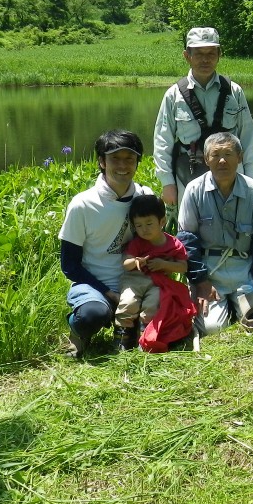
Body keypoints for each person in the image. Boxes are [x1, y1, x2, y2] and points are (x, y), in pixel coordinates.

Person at [59, 130, 151, 356]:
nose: (123, 166)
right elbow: (70, 265)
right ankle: (77, 330)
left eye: (129, 159)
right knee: (92, 315)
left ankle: (128, 326)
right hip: (94, 286)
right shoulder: (82, 204)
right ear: (101, 161)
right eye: (115, 159)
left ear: (138, 162)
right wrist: (108, 293)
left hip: (134, 283)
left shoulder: (145, 196)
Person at [177, 132, 253, 335]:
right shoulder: (193, 190)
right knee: (212, 329)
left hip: (244, 267)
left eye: (228, 154)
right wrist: (200, 281)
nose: (222, 160)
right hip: (210, 270)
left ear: (239, 158)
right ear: (206, 159)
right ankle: (224, 305)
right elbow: (187, 240)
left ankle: (241, 302)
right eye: (215, 155)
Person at [153, 27, 253, 211]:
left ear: (219, 54)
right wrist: (167, 183)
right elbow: (163, 140)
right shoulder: (174, 95)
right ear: (187, 56)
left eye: (211, 53)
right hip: (188, 173)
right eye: (199, 53)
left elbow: (248, 136)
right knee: (190, 232)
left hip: (232, 174)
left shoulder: (235, 92)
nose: (205, 59)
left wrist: (251, 179)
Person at [117, 194, 196, 353]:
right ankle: (122, 339)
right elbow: (125, 264)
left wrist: (164, 264)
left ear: (162, 221)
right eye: (138, 226)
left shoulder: (173, 243)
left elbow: (183, 266)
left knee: (152, 307)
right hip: (134, 280)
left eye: (149, 223)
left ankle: (145, 338)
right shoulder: (137, 243)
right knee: (127, 303)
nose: (144, 229)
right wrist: (136, 261)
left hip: (157, 282)